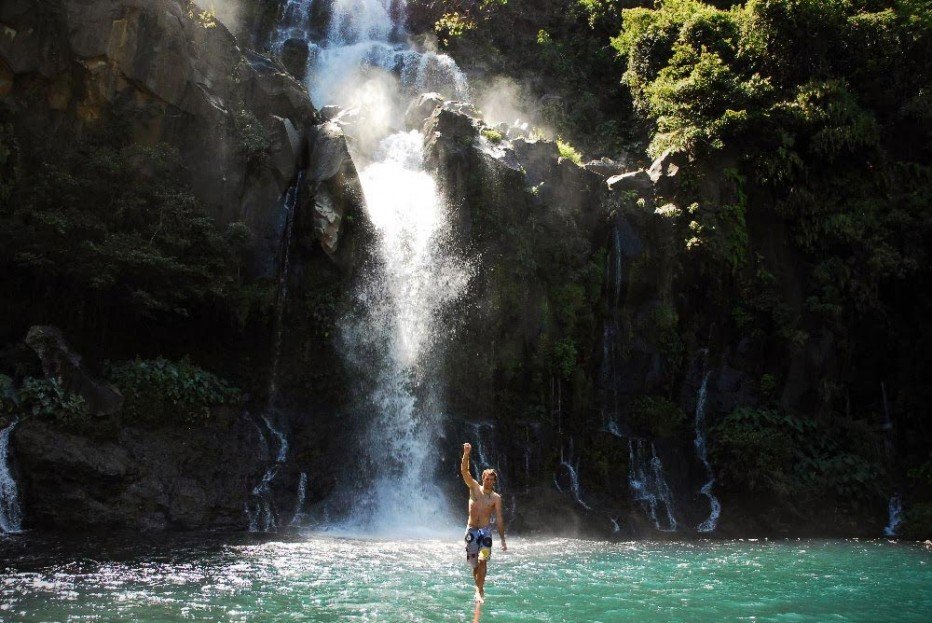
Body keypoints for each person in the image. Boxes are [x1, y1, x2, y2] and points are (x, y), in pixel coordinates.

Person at [461, 442, 507, 603]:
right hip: (471, 530)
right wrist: (466, 453)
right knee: (474, 565)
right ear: (483, 479)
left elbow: (499, 518)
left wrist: (502, 540)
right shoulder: (474, 487)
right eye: (487, 479)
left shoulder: (496, 498)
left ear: (494, 481)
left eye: (492, 480)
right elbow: (465, 471)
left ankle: (480, 590)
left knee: (483, 560)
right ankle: (478, 586)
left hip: (485, 531)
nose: (489, 482)